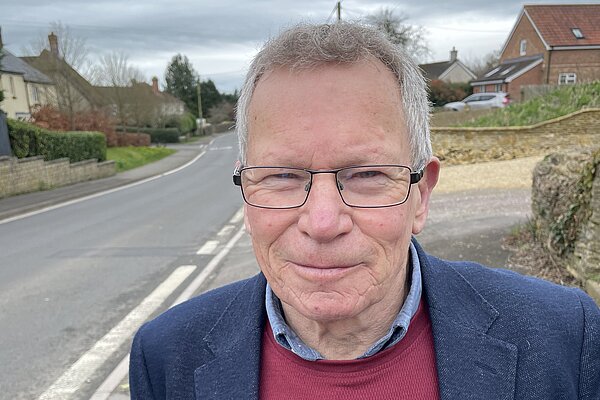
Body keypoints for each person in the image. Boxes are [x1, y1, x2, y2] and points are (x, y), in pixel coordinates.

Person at [129, 22, 600, 399]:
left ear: (421, 194)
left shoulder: (564, 336)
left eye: (368, 175)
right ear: (245, 190)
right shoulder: (167, 357)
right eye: (281, 175)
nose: (322, 223)